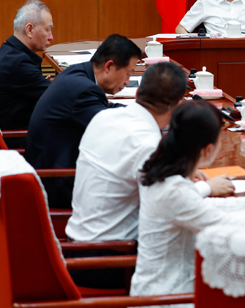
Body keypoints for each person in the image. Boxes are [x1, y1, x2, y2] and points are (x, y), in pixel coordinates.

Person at [66, 62, 235, 289]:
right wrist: (208, 188)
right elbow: (165, 201)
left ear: (138, 92)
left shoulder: (104, 117)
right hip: (109, 260)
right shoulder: (147, 144)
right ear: (177, 107)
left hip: (76, 246)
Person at [130, 100, 245, 300]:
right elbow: (223, 225)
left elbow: (201, 205)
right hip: (168, 297)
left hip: (168, 287)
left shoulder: (162, 171)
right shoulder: (174, 190)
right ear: (207, 150)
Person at [25, 34, 142, 208]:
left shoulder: (78, 74)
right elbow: (114, 131)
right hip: (58, 184)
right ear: (109, 66)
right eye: (128, 74)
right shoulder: (83, 90)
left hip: (54, 170)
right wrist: (152, 115)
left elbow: (105, 109)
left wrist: (142, 108)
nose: (127, 82)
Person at [0, 0, 54, 149]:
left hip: (15, 130)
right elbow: (58, 96)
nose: (51, 37)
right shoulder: (18, 63)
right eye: (48, 30)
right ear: (29, 30)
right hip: (16, 140)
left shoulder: (9, 52)